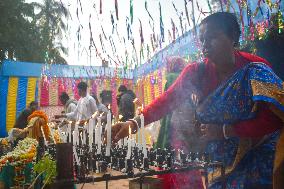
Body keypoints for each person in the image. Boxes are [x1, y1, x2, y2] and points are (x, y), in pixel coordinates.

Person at [109, 12, 284, 189]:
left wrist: (226, 130)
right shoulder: (197, 72)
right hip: (219, 160)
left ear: (232, 37)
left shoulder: (255, 70)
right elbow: (167, 100)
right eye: (202, 39)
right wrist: (133, 124)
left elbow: (275, 119)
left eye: (212, 37)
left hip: (258, 154)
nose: (205, 45)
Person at [155, 57, 204, 189]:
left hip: (175, 126)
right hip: (188, 122)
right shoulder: (188, 77)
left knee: (174, 161)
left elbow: (167, 103)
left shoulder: (171, 77)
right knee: (188, 161)